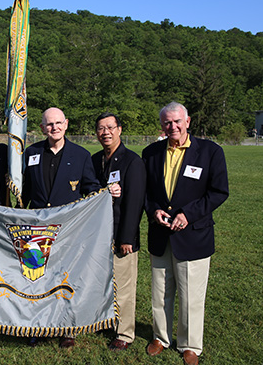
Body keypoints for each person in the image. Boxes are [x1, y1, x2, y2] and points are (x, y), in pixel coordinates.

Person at [22, 107, 120, 348]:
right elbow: (23, 190)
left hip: (69, 229)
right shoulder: (30, 152)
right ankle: (40, 325)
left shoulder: (81, 154)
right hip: (37, 229)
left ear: (66, 124)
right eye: (49, 124)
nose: (54, 127)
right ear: (42, 127)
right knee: (38, 279)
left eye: (58, 123)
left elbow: (90, 188)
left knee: (66, 278)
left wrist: (106, 192)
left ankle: (67, 328)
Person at [143, 102, 229, 365]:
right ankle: (160, 337)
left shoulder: (210, 152)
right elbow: (145, 192)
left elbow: (218, 192)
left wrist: (188, 214)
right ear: (161, 125)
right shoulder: (151, 152)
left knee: (191, 294)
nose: (173, 127)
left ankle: (190, 344)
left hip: (193, 234)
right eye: (167, 123)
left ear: (188, 121)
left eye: (177, 121)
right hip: (160, 234)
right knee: (160, 291)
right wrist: (154, 210)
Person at [91, 112, 146, 352]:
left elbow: (135, 202)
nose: (106, 132)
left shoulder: (132, 161)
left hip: (120, 235)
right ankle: (107, 321)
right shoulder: (95, 160)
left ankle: (124, 333)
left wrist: (127, 238)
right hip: (97, 235)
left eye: (110, 127)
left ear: (120, 130)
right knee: (103, 283)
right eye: (101, 129)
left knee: (123, 286)